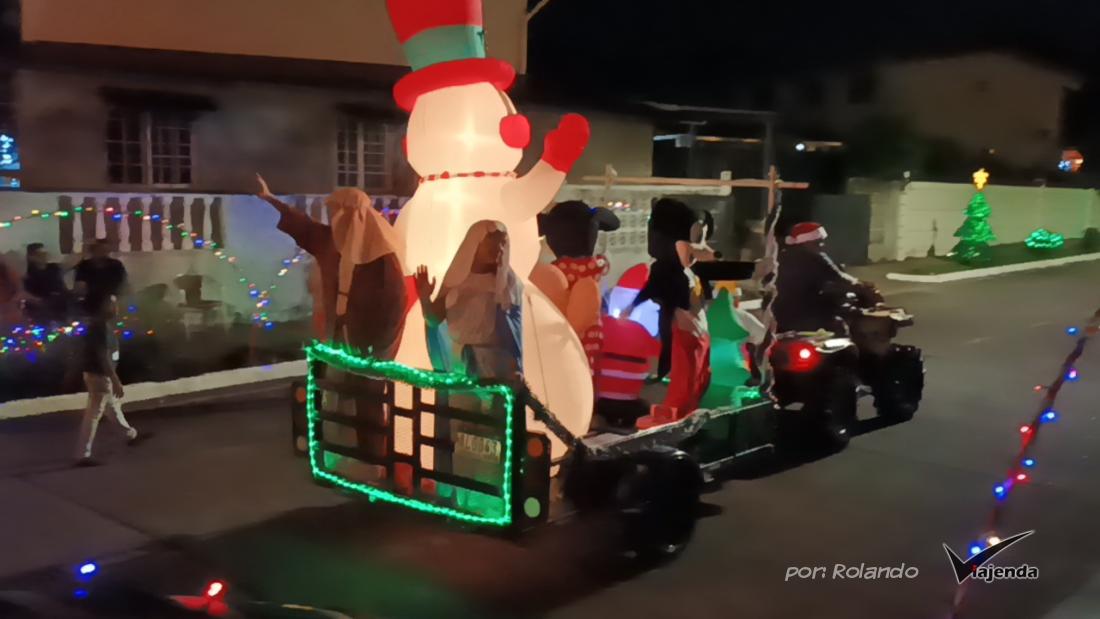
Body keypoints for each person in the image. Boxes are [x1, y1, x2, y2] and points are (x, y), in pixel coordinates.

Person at [255, 174, 407, 358]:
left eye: (337, 212)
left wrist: (378, 352)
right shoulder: (330, 242)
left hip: (367, 346)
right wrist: (271, 199)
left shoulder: (382, 258)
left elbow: (393, 308)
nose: (333, 218)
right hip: (336, 336)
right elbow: (304, 226)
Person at [414, 220, 523, 381]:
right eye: (492, 243)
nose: (499, 249)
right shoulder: (457, 281)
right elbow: (434, 319)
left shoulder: (508, 285)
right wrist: (424, 298)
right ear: (476, 242)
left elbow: (512, 329)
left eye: (502, 243)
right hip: (459, 364)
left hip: (496, 368)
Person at [74, 295, 141, 466]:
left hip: (98, 374)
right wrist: (115, 379)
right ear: (104, 307)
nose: (117, 308)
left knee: (112, 407)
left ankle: (129, 434)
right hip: (100, 375)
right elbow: (103, 357)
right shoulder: (100, 327)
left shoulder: (100, 325)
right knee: (94, 413)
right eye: (113, 304)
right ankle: (83, 455)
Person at [773, 222, 865, 335]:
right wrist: (864, 287)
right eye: (818, 242)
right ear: (806, 243)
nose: (822, 245)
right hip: (806, 316)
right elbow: (843, 279)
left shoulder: (781, 256)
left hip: (781, 317)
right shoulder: (815, 258)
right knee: (840, 325)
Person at [74, 239, 128, 315]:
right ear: (93, 251)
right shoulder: (84, 265)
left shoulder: (116, 265)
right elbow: (79, 286)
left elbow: (123, 285)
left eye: (105, 251)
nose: (102, 253)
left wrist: (116, 298)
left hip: (111, 299)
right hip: (90, 299)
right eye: (99, 250)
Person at [23, 243, 71, 323]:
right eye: (39, 254)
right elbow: (30, 297)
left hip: (60, 306)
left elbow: (61, 286)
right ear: (31, 257)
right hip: (42, 310)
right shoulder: (29, 275)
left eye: (44, 253)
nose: (44, 256)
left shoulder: (53, 268)